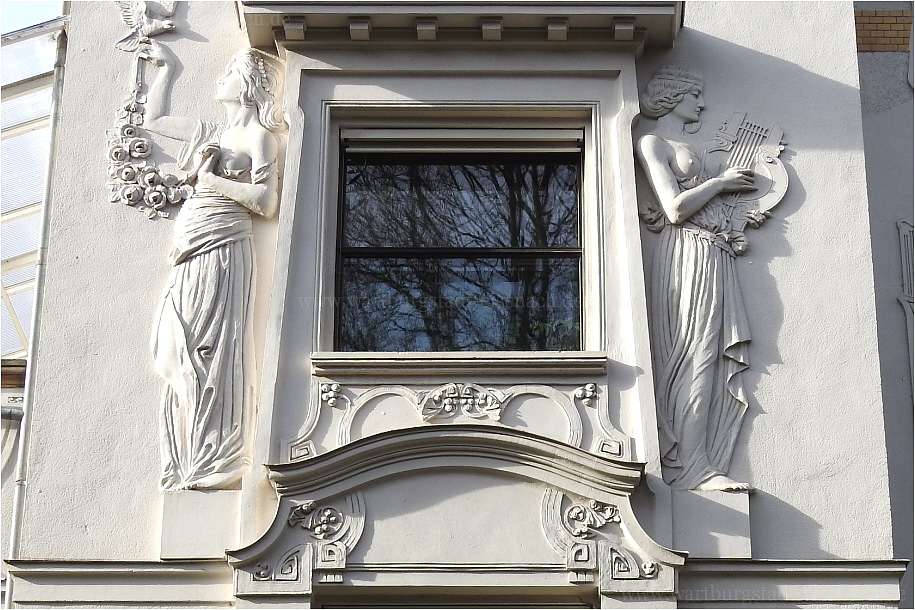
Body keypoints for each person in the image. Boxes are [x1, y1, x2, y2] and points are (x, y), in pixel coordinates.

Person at [139, 41, 284, 491]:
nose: (222, 77)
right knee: (169, 350)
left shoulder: (259, 137)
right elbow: (155, 121)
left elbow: (266, 202)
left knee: (211, 349)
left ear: (249, 85)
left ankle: (215, 455)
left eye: (231, 71)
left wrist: (209, 180)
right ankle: (190, 449)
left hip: (223, 246)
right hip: (190, 248)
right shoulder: (210, 133)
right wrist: (167, 69)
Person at [636, 67, 765, 491]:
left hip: (713, 249)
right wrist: (720, 184)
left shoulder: (694, 146)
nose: (703, 104)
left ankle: (700, 459)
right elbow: (674, 208)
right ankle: (692, 466)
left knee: (709, 352)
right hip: (687, 250)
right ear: (673, 97)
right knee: (694, 352)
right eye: (695, 95)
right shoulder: (653, 142)